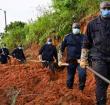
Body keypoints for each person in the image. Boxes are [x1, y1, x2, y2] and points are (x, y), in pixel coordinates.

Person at [80, 1, 110, 105]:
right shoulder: (92, 24)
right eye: (104, 8)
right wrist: (83, 58)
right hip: (98, 58)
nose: (107, 10)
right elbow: (86, 43)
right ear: (100, 10)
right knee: (102, 84)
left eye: (109, 8)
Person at [60, 22, 86, 91]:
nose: (76, 29)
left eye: (77, 28)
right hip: (70, 61)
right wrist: (59, 59)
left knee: (82, 75)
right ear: (72, 28)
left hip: (81, 61)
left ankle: (81, 90)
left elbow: (87, 49)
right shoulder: (67, 37)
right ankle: (69, 91)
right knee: (70, 77)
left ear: (80, 29)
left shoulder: (84, 37)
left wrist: (85, 59)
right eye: (75, 28)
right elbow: (61, 49)